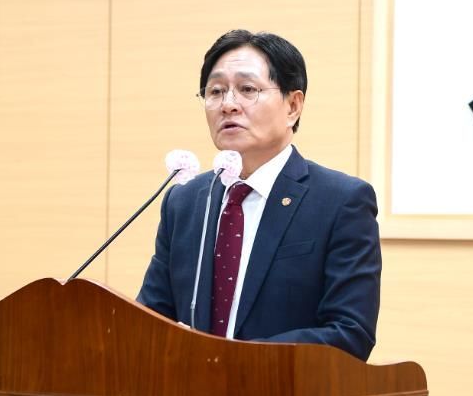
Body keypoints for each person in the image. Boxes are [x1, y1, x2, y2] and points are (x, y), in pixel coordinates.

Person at [137, 30, 381, 361]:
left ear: (293, 106)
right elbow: (151, 319)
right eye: (215, 91)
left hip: (281, 391)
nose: (228, 105)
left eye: (248, 89)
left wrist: (233, 359)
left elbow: (350, 333)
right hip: (187, 393)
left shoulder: (340, 202)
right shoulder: (185, 202)